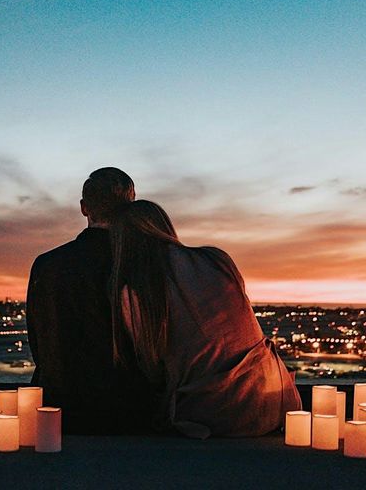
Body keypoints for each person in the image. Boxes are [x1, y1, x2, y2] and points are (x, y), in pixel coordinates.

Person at [108, 200, 301, 438]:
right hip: (276, 401)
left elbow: (152, 369)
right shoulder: (217, 259)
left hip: (215, 415)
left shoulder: (136, 293)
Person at [26, 167, 154, 433]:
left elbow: (39, 345)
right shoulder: (142, 264)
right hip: (127, 411)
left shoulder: (46, 265)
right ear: (131, 206)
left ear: (84, 208)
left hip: (57, 408)